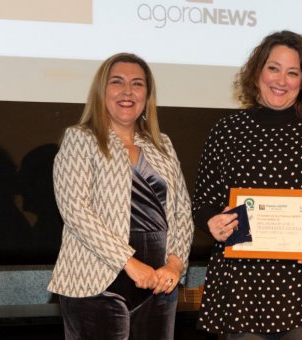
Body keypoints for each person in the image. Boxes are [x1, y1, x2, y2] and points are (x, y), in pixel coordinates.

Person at [192, 30, 302, 339]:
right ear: (257, 71)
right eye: (273, 68)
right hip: (245, 287)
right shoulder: (227, 131)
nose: (281, 80)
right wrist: (212, 222)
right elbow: (203, 201)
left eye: (292, 72)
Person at [47, 53, 194, 339]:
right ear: (102, 91)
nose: (128, 91)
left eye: (137, 84)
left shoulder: (162, 144)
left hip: (159, 284)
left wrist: (175, 264)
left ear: (147, 96)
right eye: (117, 82)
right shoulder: (80, 138)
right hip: (96, 283)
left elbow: (182, 212)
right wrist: (130, 263)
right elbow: (75, 210)